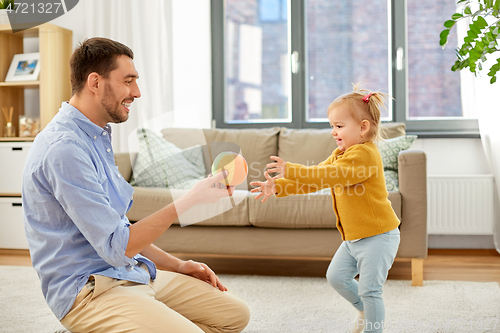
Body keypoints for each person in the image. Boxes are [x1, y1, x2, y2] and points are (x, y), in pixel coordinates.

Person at [22, 37, 250, 333]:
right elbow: (117, 246)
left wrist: (178, 265)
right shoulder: (65, 149)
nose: (137, 92)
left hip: (128, 272)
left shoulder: (97, 136)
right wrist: (189, 199)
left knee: (234, 315)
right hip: (90, 291)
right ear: (95, 83)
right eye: (128, 81)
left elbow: (118, 230)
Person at [250, 84, 400, 333]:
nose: (333, 132)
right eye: (332, 126)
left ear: (363, 128)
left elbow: (330, 174)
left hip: (378, 236)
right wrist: (277, 187)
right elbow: (316, 180)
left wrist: (294, 169)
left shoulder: (365, 155)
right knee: (336, 277)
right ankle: (364, 308)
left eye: (339, 126)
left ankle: (373, 327)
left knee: (371, 290)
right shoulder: (340, 153)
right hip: (354, 237)